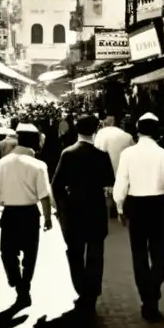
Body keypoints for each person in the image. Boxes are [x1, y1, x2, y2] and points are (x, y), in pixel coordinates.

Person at [113, 112, 164, 322]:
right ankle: (154, 288)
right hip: (159, 205)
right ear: (157, 131)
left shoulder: (128, 154)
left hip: (136, 204)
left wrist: (120, 206)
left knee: (139, 253)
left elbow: (121, 181)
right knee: (160, 253)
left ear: (138, 130)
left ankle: (147, 297)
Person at [51, 114, 115, 313]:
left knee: (75, 251)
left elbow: (56, 185)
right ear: (95, 130)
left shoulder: (67, 154)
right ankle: (93, 291)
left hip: (73, 210)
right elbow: (110, 181)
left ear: (76, 130)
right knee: (96, 252)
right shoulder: (102, 155)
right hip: (95, 208)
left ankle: (81, 288)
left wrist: (62, 208)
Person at [0, 122, 54, 308]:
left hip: (9, 213)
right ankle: (24, 285)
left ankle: (16, 281)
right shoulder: (39, 165)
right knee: (30, 254)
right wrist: (48, 218)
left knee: (7, 252)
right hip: (30, 214)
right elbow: (44, 196)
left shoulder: (3, 163)